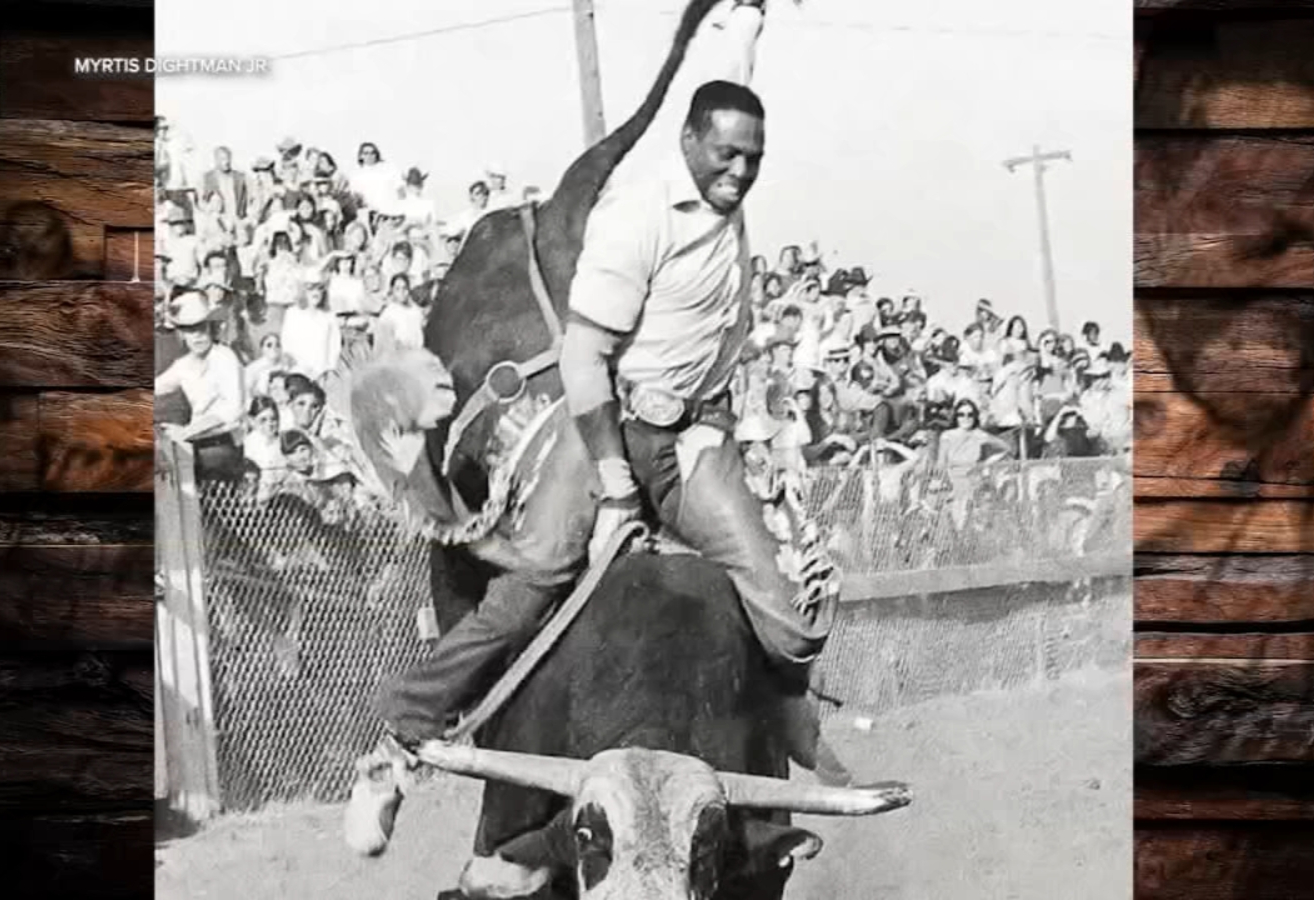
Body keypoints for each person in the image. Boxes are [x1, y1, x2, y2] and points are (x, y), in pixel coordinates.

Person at [349, 3, 849, 856]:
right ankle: (395, 749)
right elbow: (584, 363)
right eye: (724, 154)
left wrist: (744, 34)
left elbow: (731, 96)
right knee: (528, 584)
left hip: (693, 438)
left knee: (791, 616)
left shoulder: (724, 197)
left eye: (751, 159)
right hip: (606, 432)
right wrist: (616, 481)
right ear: (689, 147)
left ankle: (789, 722)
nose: (738, 172)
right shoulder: (637, 220)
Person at [154, 291, 247, 481]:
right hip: (196, 448)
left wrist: (187, 431)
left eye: (201, 327)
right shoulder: (185, 364)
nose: (197, 336)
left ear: (210, 327)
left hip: (223, 446)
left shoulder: (224, 357)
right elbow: (157, 387)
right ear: (181, 334)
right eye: (189, 329)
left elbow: (232, 410)